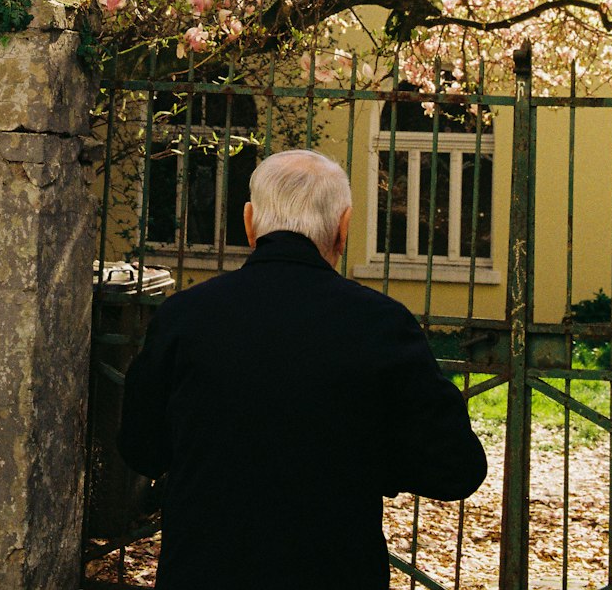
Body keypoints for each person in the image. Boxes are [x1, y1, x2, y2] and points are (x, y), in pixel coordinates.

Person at [118, 149, 487, 589]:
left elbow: (141, 448)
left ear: (250, 221)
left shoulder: (184, 316)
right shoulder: (381, 323)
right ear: (344, 226)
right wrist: (368, 459)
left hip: (204, 569)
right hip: (334, 571)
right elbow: (456, 468)